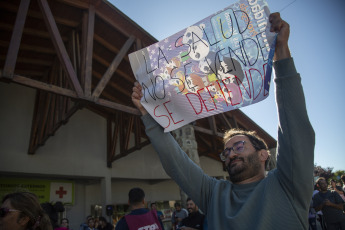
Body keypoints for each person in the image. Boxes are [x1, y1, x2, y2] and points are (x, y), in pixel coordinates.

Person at [131, 12, 315, 229]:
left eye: (238, 146)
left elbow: (295, 128)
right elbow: (176, 163)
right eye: (226, 152)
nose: (231, 154)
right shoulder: (213, 194)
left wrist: (281, 54)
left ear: (264, 154)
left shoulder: (287, 185)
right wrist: (148, 114)